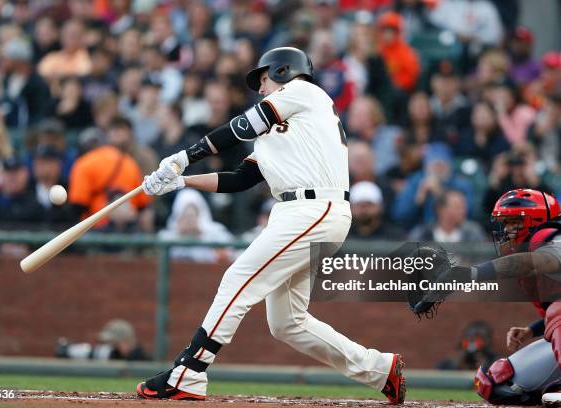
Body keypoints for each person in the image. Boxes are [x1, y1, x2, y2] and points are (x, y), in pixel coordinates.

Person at [136, 47, 406, 404]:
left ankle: (190, 372)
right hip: (302, 212)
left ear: (283, 71)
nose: (260, 89)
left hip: (314, 207)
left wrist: (186, 156)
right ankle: (378, 369)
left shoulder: (304, 92)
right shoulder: (281, 131)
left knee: (237, 278)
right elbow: (241, 178)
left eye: (262, 79)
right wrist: (182, 181)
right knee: (287, 323)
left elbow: (242, 126)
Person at [413, 189, 561, 405]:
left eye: (513, 222)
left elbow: (535, 261)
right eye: (505, 223)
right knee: (495, 383)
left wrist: (470, 273)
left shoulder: (549, 236)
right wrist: (532, 330)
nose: (507, 230)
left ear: (535, 220)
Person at [158, 188, 234, 263]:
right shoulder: (167, 236)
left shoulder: (217, 233)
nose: (189, 220)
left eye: (192, 216)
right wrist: (180, 237)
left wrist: (201, 236)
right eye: (185, 215)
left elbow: (230, 253)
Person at [408, 190, 487, 243]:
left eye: (464, 207)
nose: (463, 210)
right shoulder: (422, 233)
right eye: (458, 207)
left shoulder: (473, 232)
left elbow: (482, 262)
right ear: (440, 209)